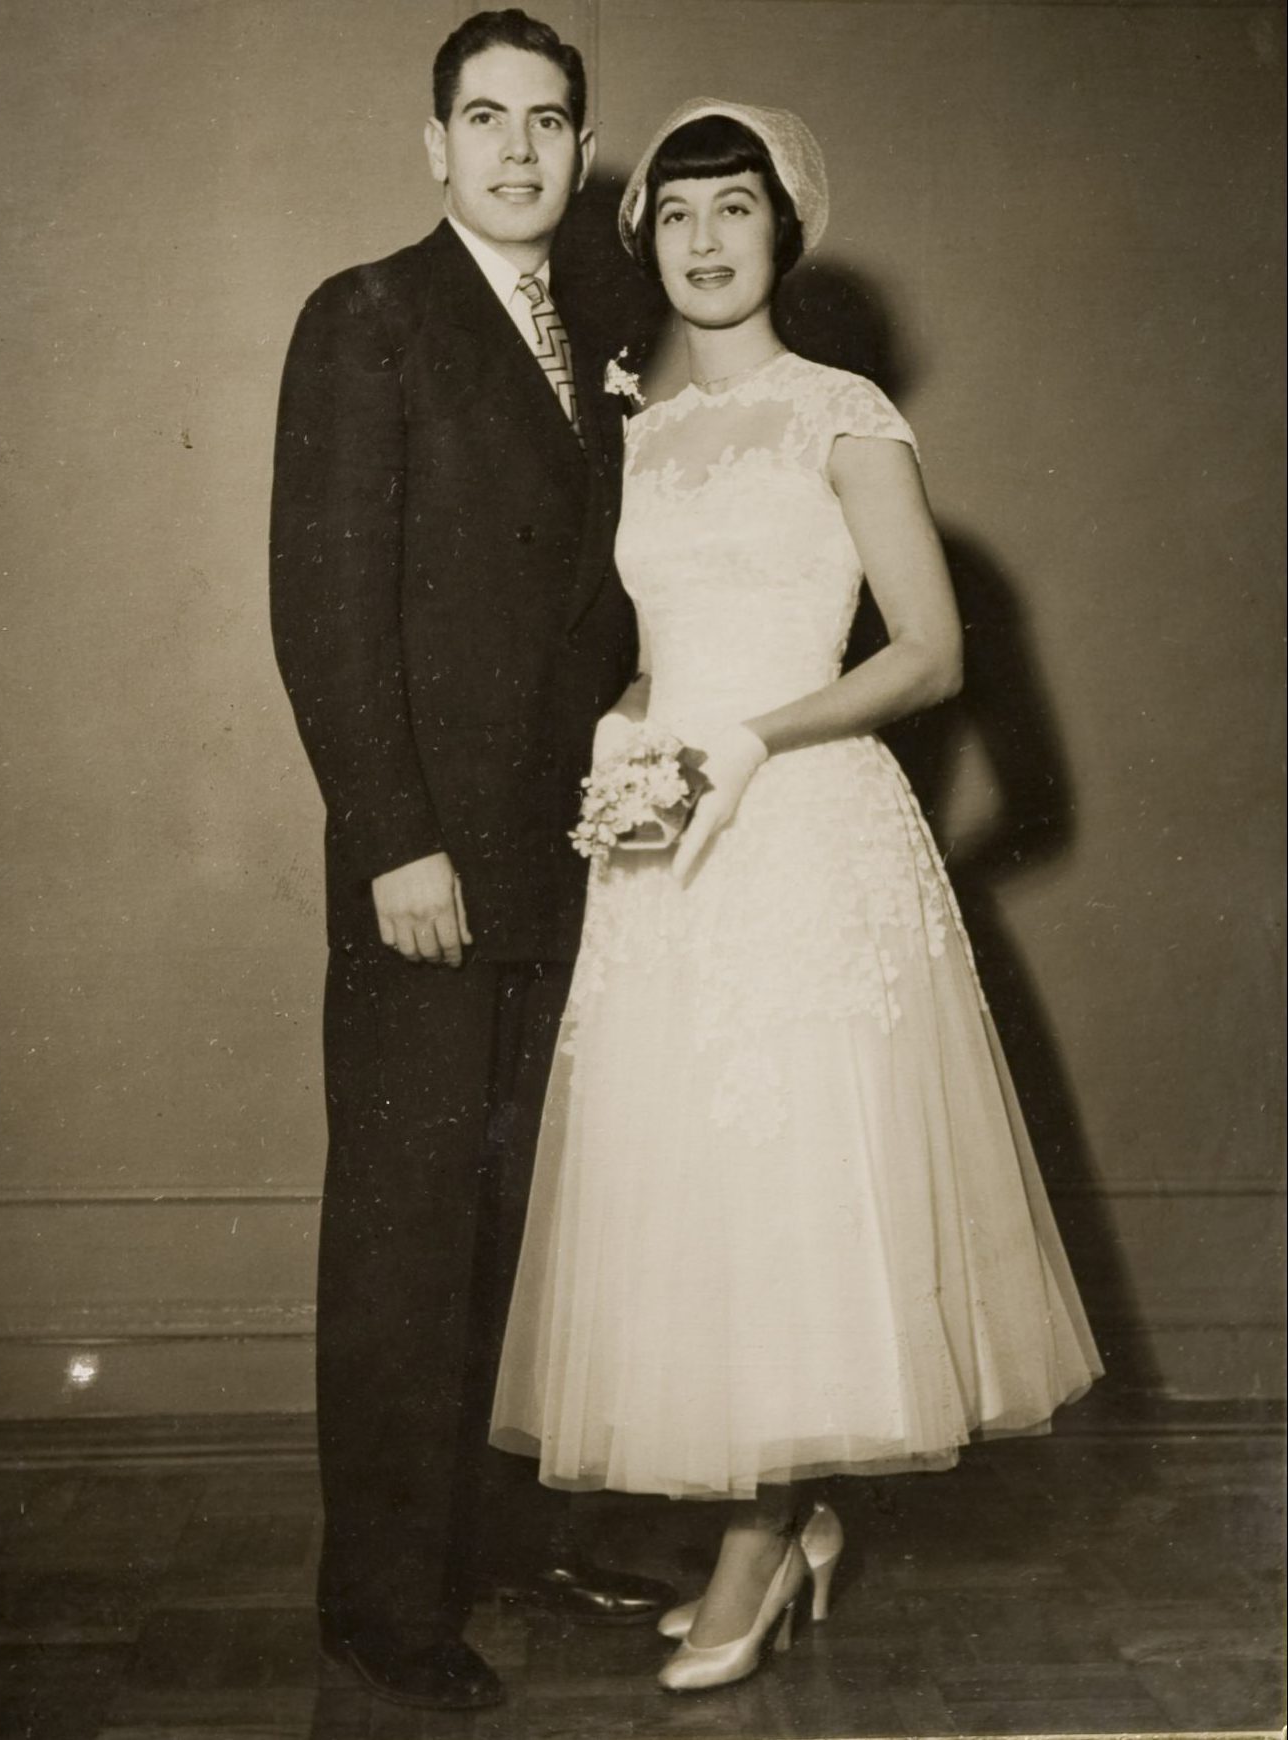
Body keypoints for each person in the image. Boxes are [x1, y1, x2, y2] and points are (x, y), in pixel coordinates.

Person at [491, 99, 1104, 1695]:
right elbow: (643, 648)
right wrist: (631, 752)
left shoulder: (846, 416)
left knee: (792, 1186)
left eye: (734, 212)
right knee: (690, 1190)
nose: (703, 240)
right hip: (667, 844)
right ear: (651, 242)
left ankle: (759, 1552)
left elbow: (931, 653)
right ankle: (787, 1521)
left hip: (808, 825)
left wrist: (751, 739)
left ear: (783, 235)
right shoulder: (632, 424)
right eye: (677, 215)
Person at [269, 10, 673, 1713]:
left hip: (566, 862)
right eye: (485, 118)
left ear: (582, 153)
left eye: (549, 121)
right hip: (431, 870)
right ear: (433, 145)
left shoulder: (596, 334)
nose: (518, 150)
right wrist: (395, 841)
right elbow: (325, 610)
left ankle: (495, 1539)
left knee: (524, 1220)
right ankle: (379, 1596)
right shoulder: (368, 316)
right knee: (408, 1231)